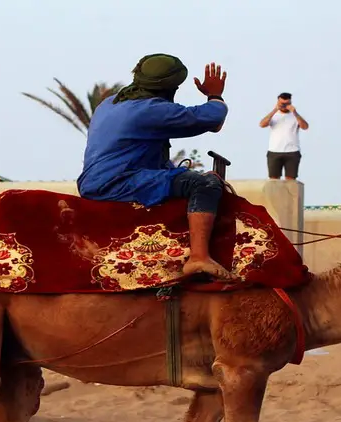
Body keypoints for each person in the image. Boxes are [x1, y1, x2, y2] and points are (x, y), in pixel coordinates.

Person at [77, 53, 231, 280]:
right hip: (118, 182)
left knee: (185, 176)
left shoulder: (109, 104)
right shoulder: (150, 110)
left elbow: (143, 154)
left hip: (99, 180)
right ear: (169, 87)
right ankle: (199, 257)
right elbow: (211, 119)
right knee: (205, 184)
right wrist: (215, 95)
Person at [259, 92, 309, 180]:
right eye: (283, 104)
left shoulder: (295, 116)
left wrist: (295, 112)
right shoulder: (274, 115)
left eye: (287, 104)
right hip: (274, 151)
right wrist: (275, 110)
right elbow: (262, 124)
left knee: (290, 180)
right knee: (274, 180)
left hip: (292, 151)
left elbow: (305, 127)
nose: (285, 106)